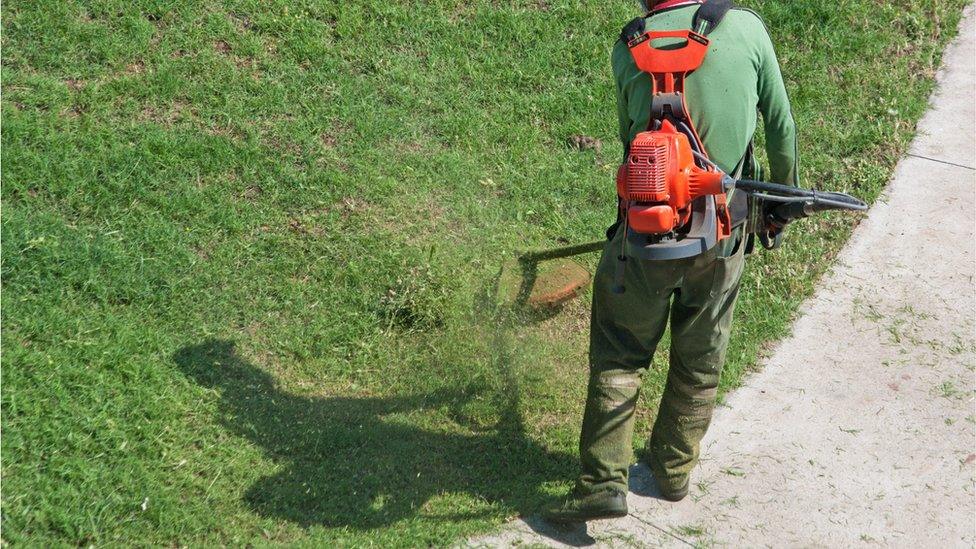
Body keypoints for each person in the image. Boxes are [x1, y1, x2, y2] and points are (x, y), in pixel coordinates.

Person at [543, 0, 798, 523]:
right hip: (722, 237)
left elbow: (628, 140)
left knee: (620, 354)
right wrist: (782, 204)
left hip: (644, 236)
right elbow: (780, 126)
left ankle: (601, 482)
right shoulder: (745, 29)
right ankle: (673, 469)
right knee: (700, 355)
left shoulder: (628, 45)